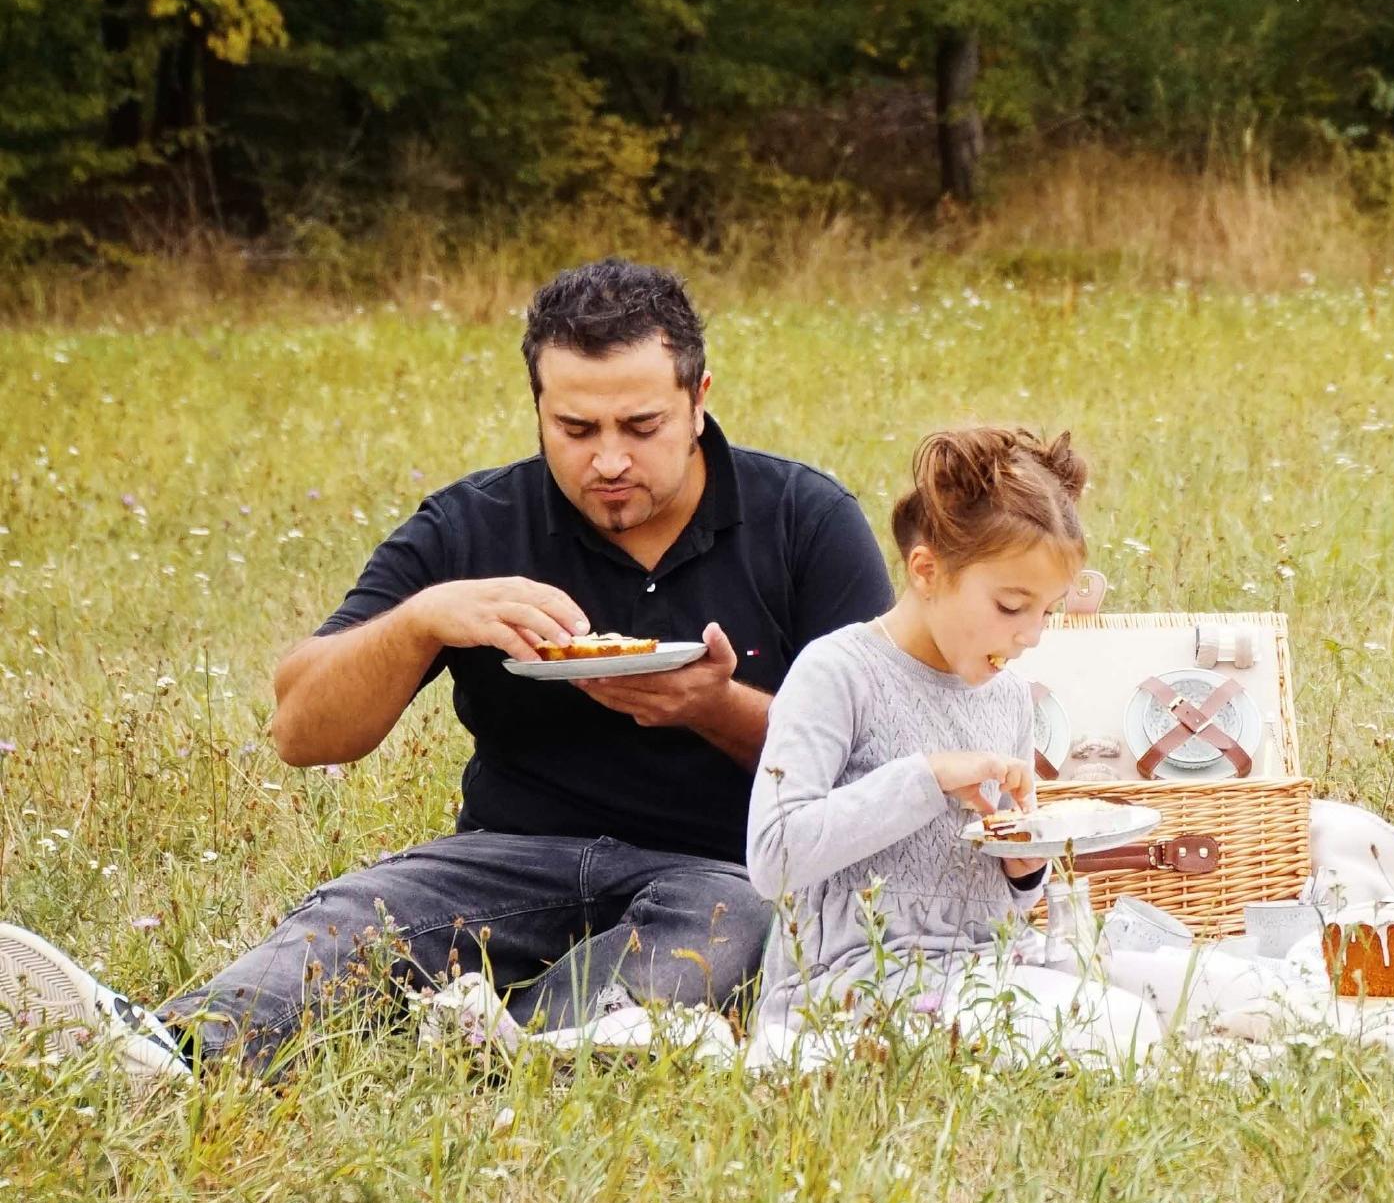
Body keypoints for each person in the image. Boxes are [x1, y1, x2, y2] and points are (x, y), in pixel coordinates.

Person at [0, 258, 892, 1079]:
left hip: (724, 865)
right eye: (575, 428)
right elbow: (299, 730)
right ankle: (169, 1051)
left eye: (641, 426)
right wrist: (422, 621)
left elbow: (880, 766)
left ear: (699, 400)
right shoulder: (476, 522)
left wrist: (714, 705)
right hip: (506, 858)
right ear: (537, 406)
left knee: (732, 926)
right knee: (362, 911)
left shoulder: (803, 520)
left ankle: (524, 1044)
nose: (609, 459)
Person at [744, 426, 1159, 1068]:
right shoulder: (837, 673)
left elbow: (1000, 895)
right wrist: (926, 777)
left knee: (1179, 1000)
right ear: (927, 571)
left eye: (1047, 612)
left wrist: (1024, 868)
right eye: (1011, 606)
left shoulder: (1008, 696)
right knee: (1116, 1028)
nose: (1031, 637)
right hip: (849, 988)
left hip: (987, 970)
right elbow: (773, 858)